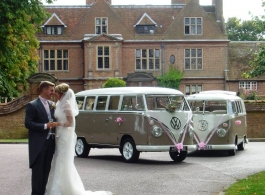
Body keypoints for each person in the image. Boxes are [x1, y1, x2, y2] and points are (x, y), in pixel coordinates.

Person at [45, 83, 112, 195]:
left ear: (61, 93)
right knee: (58, 160)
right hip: (59, 136)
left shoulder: (66, 104)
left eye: (55, 92)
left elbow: (70, 123)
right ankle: (57, 188)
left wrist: (57, 124)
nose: (54, 94)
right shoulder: (58, 103)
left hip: (65, 136)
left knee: (63, 160)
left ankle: (63, 189)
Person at [25, 81, 56, 195]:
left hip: (51, 143)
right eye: (51, 90)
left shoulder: (52, 104)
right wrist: (45, 126)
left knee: (46, 171)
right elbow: (28, 123)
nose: (53, 92)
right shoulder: (32, 105)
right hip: (38, 144)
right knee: (38, 172)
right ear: (44, 90)